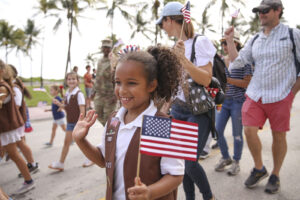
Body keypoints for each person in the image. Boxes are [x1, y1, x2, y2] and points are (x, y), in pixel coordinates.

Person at [73, 46, 184, 200]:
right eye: (118, 82)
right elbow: (103, 160)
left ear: (151, 85)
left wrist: (150, 192)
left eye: (131, 83)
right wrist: (81, 140)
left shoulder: (160, 125)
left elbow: (175, 175)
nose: (122, 90)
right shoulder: (113, 121)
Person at [225, 0, 300, 194]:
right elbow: (237, 61)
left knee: (278, 135)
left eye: (265, 11)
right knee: (249, 130)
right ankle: (259, 168)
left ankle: (275, 174)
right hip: (255, 94)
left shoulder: (293, 35)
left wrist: (291, 94)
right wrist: (231, 40)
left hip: (281, 95)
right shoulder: (255, 39)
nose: (261, 14)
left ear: (278, 11)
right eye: (259, 11)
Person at [157, 2, 217, 200]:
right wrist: (165, 109)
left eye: (162, 23)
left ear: (170, 20)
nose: (162, 27)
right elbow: (176, 85)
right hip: (179, 111)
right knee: (181, 162)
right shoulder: (174, 47)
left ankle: (209, 197)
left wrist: (183, 59)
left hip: (198, 111)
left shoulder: (200, 42)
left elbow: (205, 79)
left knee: (190, 162)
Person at [214, 33, 252, 175]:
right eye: (222, 44)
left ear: (235, 43)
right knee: (217, 131)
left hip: (238, 102)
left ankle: (236, 162)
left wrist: (228, 80)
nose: (224, 46)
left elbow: (247, 82)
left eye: (226, 43)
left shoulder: (244, 60)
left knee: (237, 134)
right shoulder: (222, 60)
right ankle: (225, 157)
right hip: (224, 101)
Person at [0, 60, 35, 194]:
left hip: (7, 128)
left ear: (1, 71)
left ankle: (29, 180)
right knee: (12, 153)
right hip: (5, 127)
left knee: (14, 154)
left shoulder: (3, 88)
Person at [48, 71, 86, 171]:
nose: (71, 81)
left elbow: (82, 109)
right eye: (69, 79)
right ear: (66, 81)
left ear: (78, 81)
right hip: (70, 122)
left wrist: (81, 123)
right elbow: (67, 107)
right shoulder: (68, 93)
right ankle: (61, 163)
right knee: (66, 142)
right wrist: (59, 105)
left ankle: (91, 159)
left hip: (77, 123)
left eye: (74, 79)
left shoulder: (79, 94)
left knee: (82, 143)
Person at [8, 65, 39, 177]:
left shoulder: (15, 87)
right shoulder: (13, 85)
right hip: (15, 120)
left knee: (20, 143)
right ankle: (30, 164)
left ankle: (31, 165)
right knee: (20, 143)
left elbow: (16, 105)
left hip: (16, 120)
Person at [93, 39, 117, 125]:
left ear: (111, 48)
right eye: (104, 47)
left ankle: (110, 132)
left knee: (109, 116)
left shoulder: (114, 59)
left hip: (110, 94)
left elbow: (115, 76)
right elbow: (98, 76)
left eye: (108, 47)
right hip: (99, 93)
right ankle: (107, 128)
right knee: (97, 113)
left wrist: (112, 61)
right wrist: (94, 90)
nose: (106, 49)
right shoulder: (100, 61)